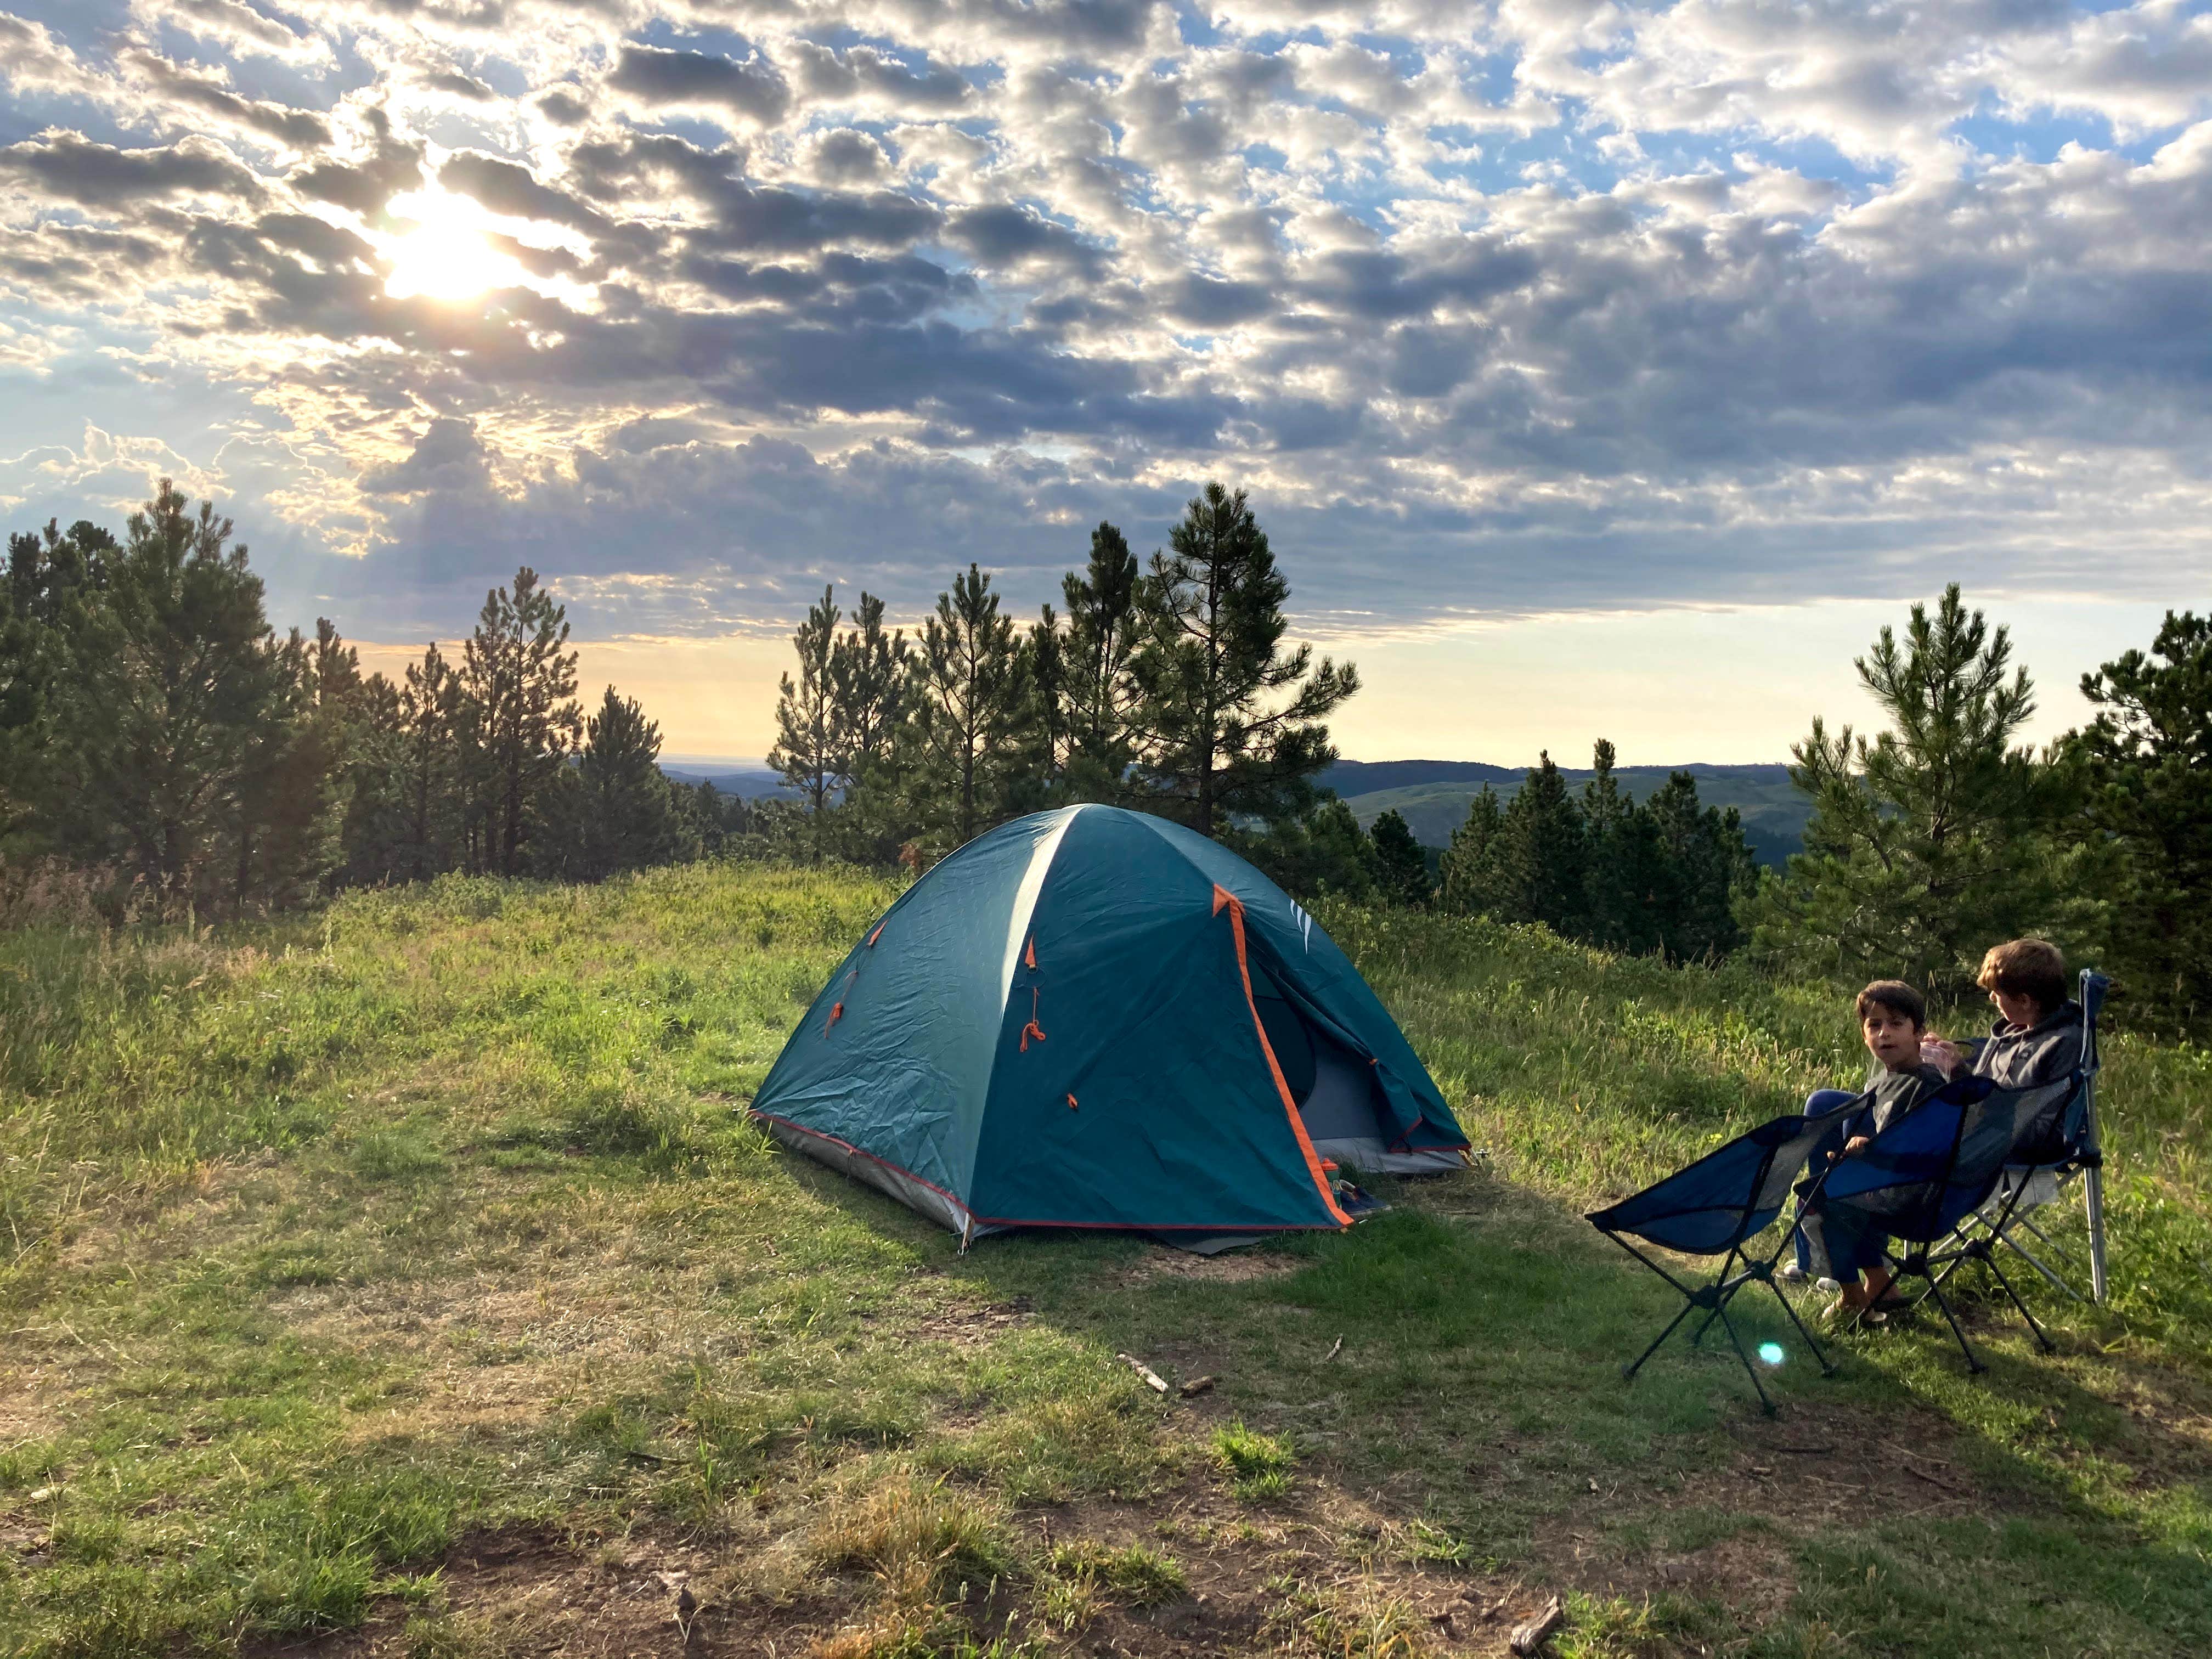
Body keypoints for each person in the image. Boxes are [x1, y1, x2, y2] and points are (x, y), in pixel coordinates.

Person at [1786, 981, 1949, 1318]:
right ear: (1864, 1035)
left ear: (1919, 1033)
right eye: (1874, 1025)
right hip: (1886, 1176)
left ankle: (1853, 1295)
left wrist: (1870, 1151)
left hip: (1909, 1190)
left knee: (1818, 1199)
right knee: (1831, 1129)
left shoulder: (1925, 1084)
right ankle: (1876, 1284)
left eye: (1896, 1024)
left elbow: (1918, 1144)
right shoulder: (1887, 1078)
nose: (1884, 1033)